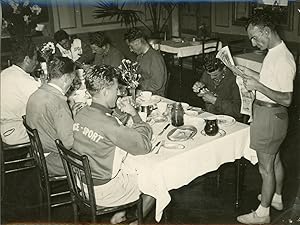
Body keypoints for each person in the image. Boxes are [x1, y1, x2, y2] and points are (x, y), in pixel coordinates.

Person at [72, 65, 155, 224]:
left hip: (82, 184)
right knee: (156, 181)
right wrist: (135, 115)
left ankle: (119, 215)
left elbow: (108, 129)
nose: (118, 92)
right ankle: (135, 223)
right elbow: (144, 145)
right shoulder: (109, 124)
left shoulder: (80, 113)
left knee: (127, 167)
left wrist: (119, 114)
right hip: (102, 192)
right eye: (116, 89)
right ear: (105, 92)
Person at [236, 11, 296, 224]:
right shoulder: (274, 52)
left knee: (265, 168)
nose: (253, 42)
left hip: (270, 117)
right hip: (271, 116)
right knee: (275, 160)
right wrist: (251, 74)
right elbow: (273, 82)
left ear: (267, 31)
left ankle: (263, 213)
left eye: (255, 36)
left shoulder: (283, 59)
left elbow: (287, 98)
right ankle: (277, 198)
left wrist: (257, 86)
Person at [26, 57, 84, 175]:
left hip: (37, 153)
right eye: (72, 79)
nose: (72, 84)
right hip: (53, 160)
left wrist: (70, 116)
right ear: (65, 78)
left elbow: (49, 122)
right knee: (97, 160)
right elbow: (69, 143)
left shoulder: (36, 94)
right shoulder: (58, 102)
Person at [1, 38, 40, 145]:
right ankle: (45, 158)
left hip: (4, 130)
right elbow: (45, 104)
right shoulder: (25, 80)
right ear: (27, 59)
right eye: (35, 59)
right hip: (16, 132)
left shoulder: (5, 73)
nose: (37, 63)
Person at [192, 56, 242, 121]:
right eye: (209, 74)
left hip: (229, 119)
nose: (211, 77)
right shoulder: (208, 73)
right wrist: (198, 89)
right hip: (210, 115)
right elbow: (202, 91)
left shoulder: (235, 80)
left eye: (215, 75)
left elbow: (237, 111)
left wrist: (214, 100)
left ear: (224, 69)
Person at [124, 27, 167, 96]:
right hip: (143, 92)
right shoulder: (140, 57)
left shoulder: (155, 57)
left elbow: (156, 84)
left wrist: (137, 85)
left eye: (131, 46)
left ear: (138, 42)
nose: (130, 50)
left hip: (154, 95)